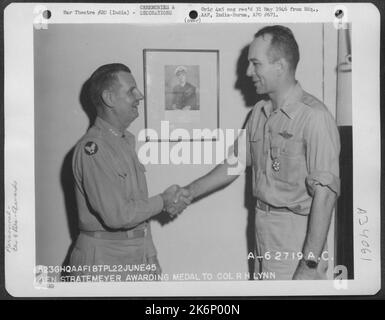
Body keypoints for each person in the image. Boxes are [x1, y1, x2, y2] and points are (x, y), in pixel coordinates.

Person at [174, 25, 341, 280]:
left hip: (297, 236)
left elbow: (325, 197)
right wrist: (189, 192)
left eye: (255, 63)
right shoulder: (258, 114)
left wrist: (309, 265)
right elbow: (235, 164)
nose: (248, 72)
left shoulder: (315, 117)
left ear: (280, 66)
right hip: (262, 230)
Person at [69, 63, 190, 281]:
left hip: (135, 253)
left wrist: (151, 257)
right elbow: (118, 216)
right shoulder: (94, 149)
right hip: (103, 258)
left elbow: (138, 208)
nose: (140, 96)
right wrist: (163, 200)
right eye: (131, 91)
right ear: (109, 98)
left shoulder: (124, 141)